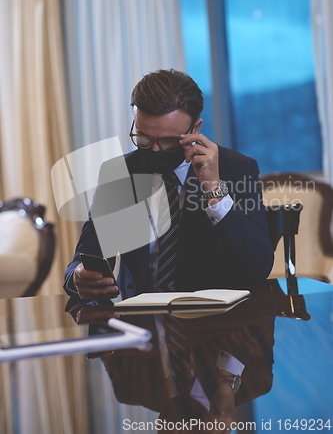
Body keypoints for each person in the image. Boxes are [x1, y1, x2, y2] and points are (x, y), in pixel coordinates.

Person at [64, 69, 273, 299]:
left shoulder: (236, 170)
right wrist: (77, 276)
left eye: (168, 140)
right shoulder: (118, 172)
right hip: (140, 316)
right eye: (143, 138)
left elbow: (258, 268)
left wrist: (214, 189)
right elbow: (86, 256)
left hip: (212, 318)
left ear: (195, 128)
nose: (154, 150)